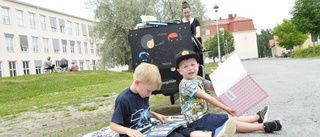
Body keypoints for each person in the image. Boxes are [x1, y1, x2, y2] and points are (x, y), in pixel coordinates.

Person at [110, 63, 236, 137]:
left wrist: (154, 114)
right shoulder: (123, 99)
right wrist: (128, 131)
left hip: (149, 127)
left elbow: (140, 110)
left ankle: (212, 135)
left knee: (179, 128)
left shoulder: (142, 93)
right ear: (137, 83)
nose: (149, 94)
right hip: (139, 134)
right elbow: (114, 125)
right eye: (149, 91)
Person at [174, 50, 282, 133]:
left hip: (204, 116)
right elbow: (207, 97)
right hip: (196, 121)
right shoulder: (186, 84)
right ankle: (264, 127)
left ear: (198, 66)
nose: (190, 68)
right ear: (179, 71)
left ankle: (258, 117)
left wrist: (215, 77)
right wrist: (225, 107)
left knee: (231, 117)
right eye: (185, 66)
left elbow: (211, 87)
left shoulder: (198, 79)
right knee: (231, 123)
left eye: (192, 65)